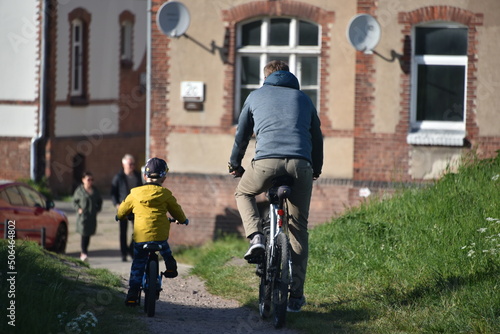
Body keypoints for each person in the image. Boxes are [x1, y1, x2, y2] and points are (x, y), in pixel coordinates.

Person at [228, 60, 323, 313]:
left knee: (244, 192)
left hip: (265, 164)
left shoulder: (255, 96)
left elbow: (242, 134)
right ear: (289, 76)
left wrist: (235, 164)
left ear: (266, 77)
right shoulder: (303, 99)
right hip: (300, 166)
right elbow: (316, 137)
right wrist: (316, 168)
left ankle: (257, 236)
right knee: (298, 228)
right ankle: (296, 296)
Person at [117, 157, 189, 306]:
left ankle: (132, 295)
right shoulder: (166, 194)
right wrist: (182, 220)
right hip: (160, 236)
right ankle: (171, 268)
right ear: (163, 177)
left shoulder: (135, 193)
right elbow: (177, 210)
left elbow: (123, 208)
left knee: (138, 265)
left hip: (141, 236)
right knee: (166, 250)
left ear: (145, 176)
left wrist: (119, 216)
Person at [111, 154, 142, 261]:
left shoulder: (138, 176)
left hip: (136, 208)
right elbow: (113, 193)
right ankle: (123, 253)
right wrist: (116, 204)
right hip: (123, 208)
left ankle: (131, 249)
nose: (132, 166)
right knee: (123, 231)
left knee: (138, 230)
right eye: (130, 164)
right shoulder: (119, 177)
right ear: (124, 164)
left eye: (133, 164)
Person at [72, 171, 103, 262]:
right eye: (88, 179)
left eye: (92, 180)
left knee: (88, 234)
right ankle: (83, 252)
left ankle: (85, 251)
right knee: (84, 234)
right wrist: (78, 209)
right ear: (83, 180)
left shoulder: (95, 190)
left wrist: (97, 209)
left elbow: (99, 201)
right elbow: (74, 202)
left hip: (91, 216)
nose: (90, 182)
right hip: (83, 217)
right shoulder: (79, 191)